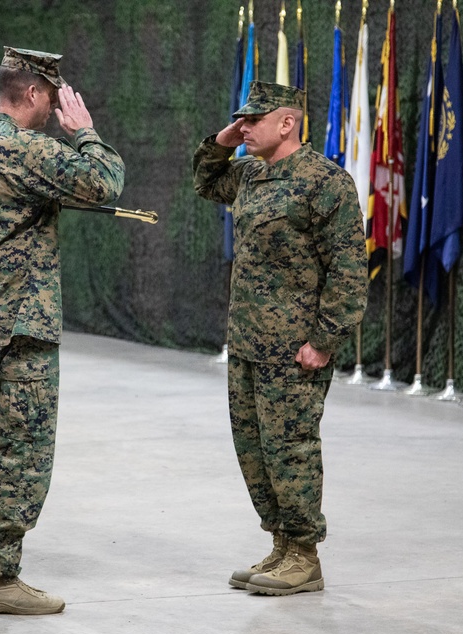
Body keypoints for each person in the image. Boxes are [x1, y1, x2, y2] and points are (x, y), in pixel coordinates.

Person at [0, 46, 125, 615]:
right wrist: (85, 133)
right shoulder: (20, 147)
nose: (55, 109)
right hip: (19, 326)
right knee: (21, 451)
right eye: (52, 97)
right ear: (34, 93)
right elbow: (104, 182)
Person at [193, 81, 368, 596]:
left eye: (254, 119)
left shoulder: (324, 182)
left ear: (287, 123)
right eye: (241, 118)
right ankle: (282, 545)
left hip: (294, 351)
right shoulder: (249, 172)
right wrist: (226, 140)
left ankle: (305, 555)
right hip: (247, 343)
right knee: (254, 450)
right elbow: (206, 180)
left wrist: (325, 340)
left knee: (291, 449)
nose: (245, 125)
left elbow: (349, 269)